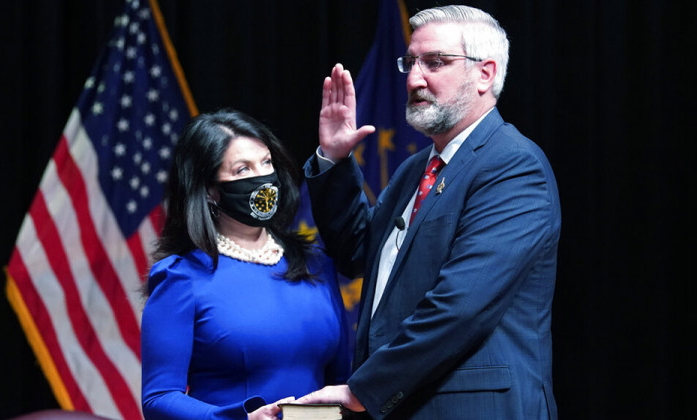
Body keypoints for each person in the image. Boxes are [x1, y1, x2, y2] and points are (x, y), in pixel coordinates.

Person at [296, 5, 561, 419]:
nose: (415, 79)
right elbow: (356, 252)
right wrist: (333, 159)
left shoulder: (513, 166)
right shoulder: (416, 169)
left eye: (434, 63)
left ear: (485, 74)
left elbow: (461, 306)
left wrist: (365, 389)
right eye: (411, 63)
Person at [140, 109, 351, 420]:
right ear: (210, 190)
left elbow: (341, 382)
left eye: (266, 163)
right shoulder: (181, 278)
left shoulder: (317, 264)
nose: (262, 178)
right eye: (242, 170)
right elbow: (158, 398)